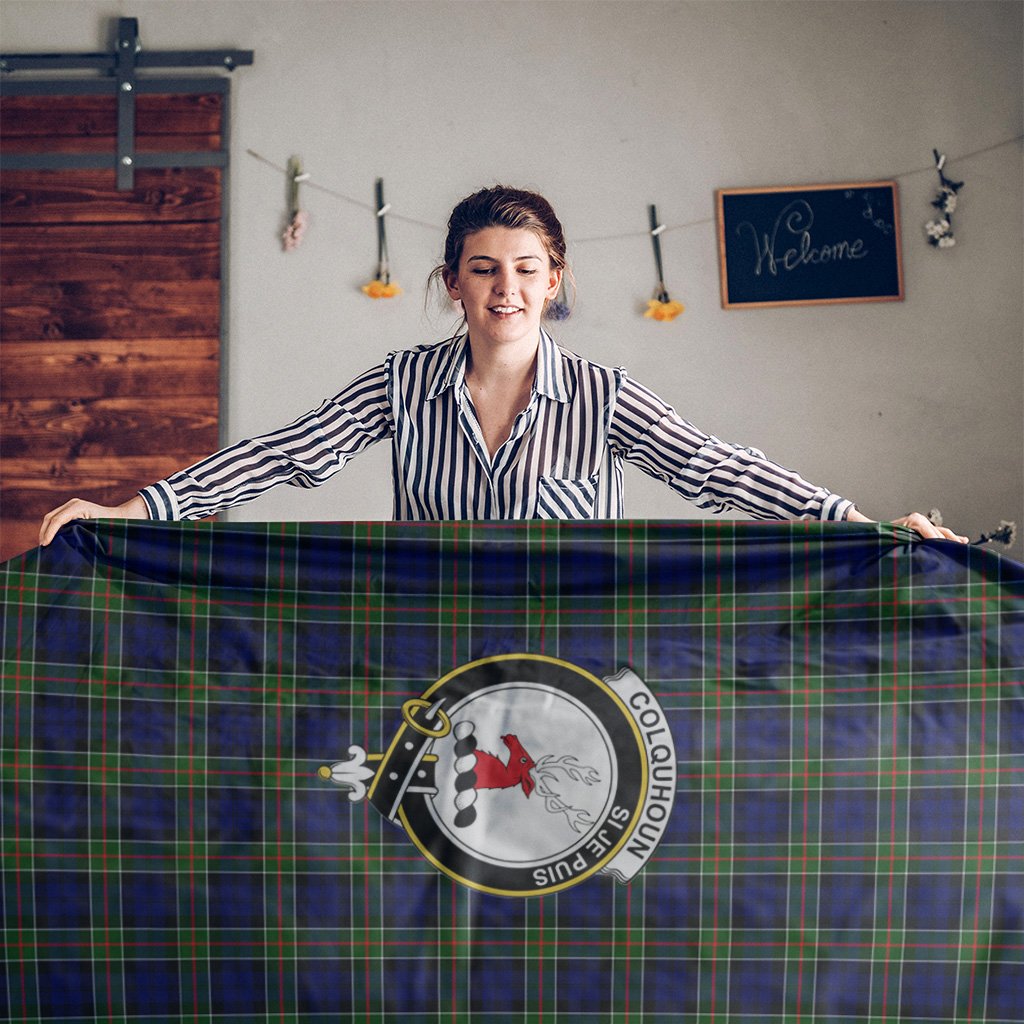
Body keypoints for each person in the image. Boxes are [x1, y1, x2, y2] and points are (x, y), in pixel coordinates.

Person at [39, 185, 968, 545]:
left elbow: (719, 468)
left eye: (527, 271)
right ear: (453, 283)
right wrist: (132, 511)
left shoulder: (605, 398)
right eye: (484, 269)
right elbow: (283, 455)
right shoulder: (400, 383)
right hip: (428, 662)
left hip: (575, 668)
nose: (506, 289)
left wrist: (863, 524)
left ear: (554, 282)